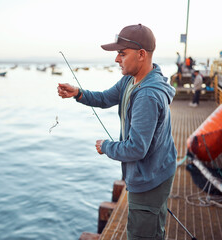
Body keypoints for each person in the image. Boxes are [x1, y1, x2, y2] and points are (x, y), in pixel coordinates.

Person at [57, 24, 177, 239]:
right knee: (154, 231)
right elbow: (104, 98)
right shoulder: (131, 80)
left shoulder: (147, 96)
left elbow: (136, 149)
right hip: (159, 169)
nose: (116, 59)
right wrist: (78, 93)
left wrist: (106, 147)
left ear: (141, 54)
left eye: (122, 53)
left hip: (149, 178)